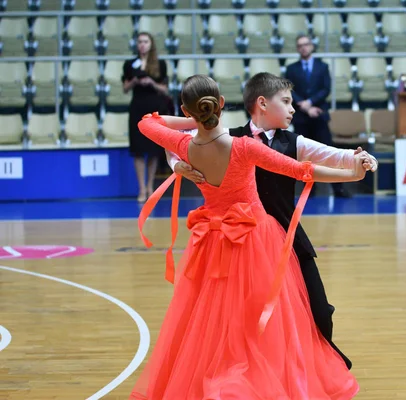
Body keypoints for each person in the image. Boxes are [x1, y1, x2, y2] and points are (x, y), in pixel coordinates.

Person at [130, 74, 369, 399]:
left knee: (215, 324)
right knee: (266, 324)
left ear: (188, 109)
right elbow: (302, 171)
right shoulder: (244, 147)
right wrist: (352, 174)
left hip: (212, 245)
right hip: (256, 243)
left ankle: (225, 380)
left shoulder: (185, 146)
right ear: (222, 105)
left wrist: (186, 131)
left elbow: (147, 122)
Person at [285, 34, 352, 198]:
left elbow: (325, 89)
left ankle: (339, 189)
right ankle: (310, 191)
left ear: (312, 46)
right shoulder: (291, 69)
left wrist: (311, 102)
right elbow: (290, 90)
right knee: (304, 156)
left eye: (306, 44)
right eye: (300, 45)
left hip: (320, 116)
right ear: (297, 48)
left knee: (330, 153)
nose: (303, 47)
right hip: (301, 117)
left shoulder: (322, 67)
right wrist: (306, 107)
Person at [122, 32, 170, 203]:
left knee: (153, 151)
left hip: (154, 108)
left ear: (151, 44)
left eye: (145, 41)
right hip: (137, 108)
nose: (142, 45)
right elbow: (125, 88)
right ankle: (141, 189)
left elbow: (165, 89)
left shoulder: (160, 64)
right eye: (140, 42)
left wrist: (152, 83)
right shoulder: (129, 64)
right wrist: (135, 81)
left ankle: (150, 187)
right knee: (138, 150)